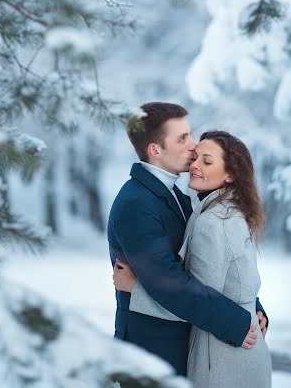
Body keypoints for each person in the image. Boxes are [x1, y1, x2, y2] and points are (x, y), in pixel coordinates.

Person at [107, 102, 268, 376]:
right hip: (152, 353)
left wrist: (250, 306)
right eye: (182, 138)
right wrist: (236, 321)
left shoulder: (181, 196)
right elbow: (170, 284)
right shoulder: (137, 204)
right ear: (155, 150)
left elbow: (206, 268)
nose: (193, 145)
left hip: (184, 348)